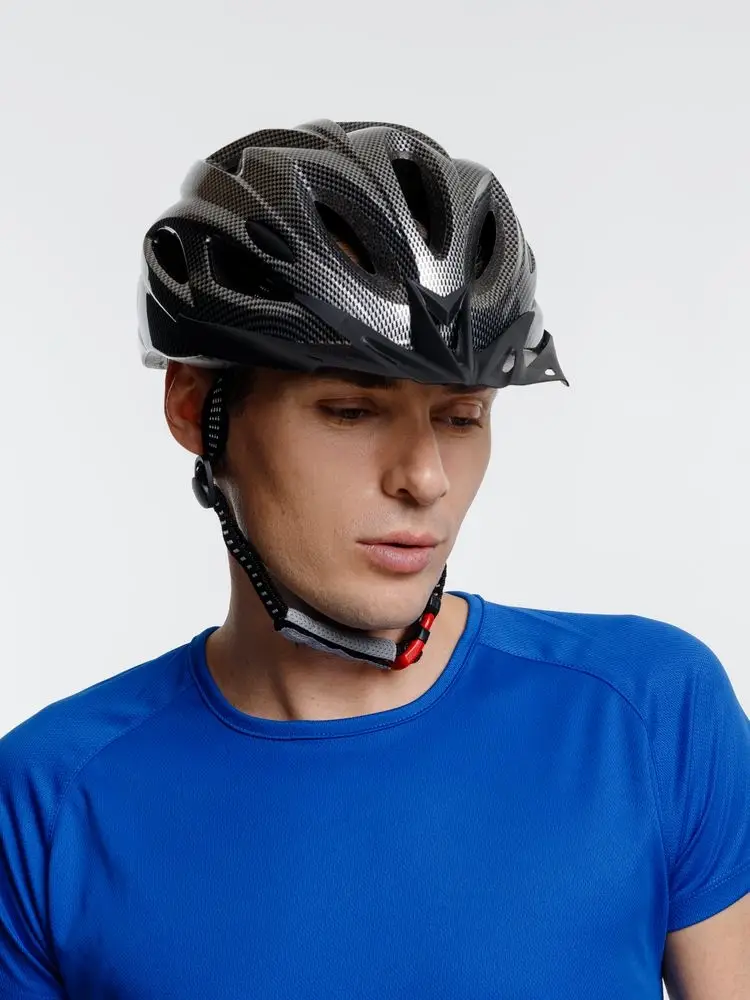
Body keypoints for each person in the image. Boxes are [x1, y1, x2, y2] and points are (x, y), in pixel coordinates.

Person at [0, 119, 747, 999]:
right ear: (196, 410)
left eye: (462, 417)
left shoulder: (649, 714)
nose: (425, 478)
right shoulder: (49, 800)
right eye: (351, 411)